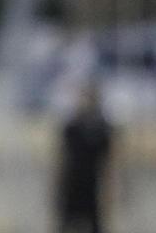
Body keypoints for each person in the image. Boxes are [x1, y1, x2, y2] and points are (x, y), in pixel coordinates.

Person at [56, 84, 113, 233]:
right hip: (72, 183)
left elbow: (108, 163)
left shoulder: (102, 129)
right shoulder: (71, 127)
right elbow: (62, 158)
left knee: (95, 224)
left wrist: (110, 189)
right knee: (66, 223)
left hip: (92, 185)